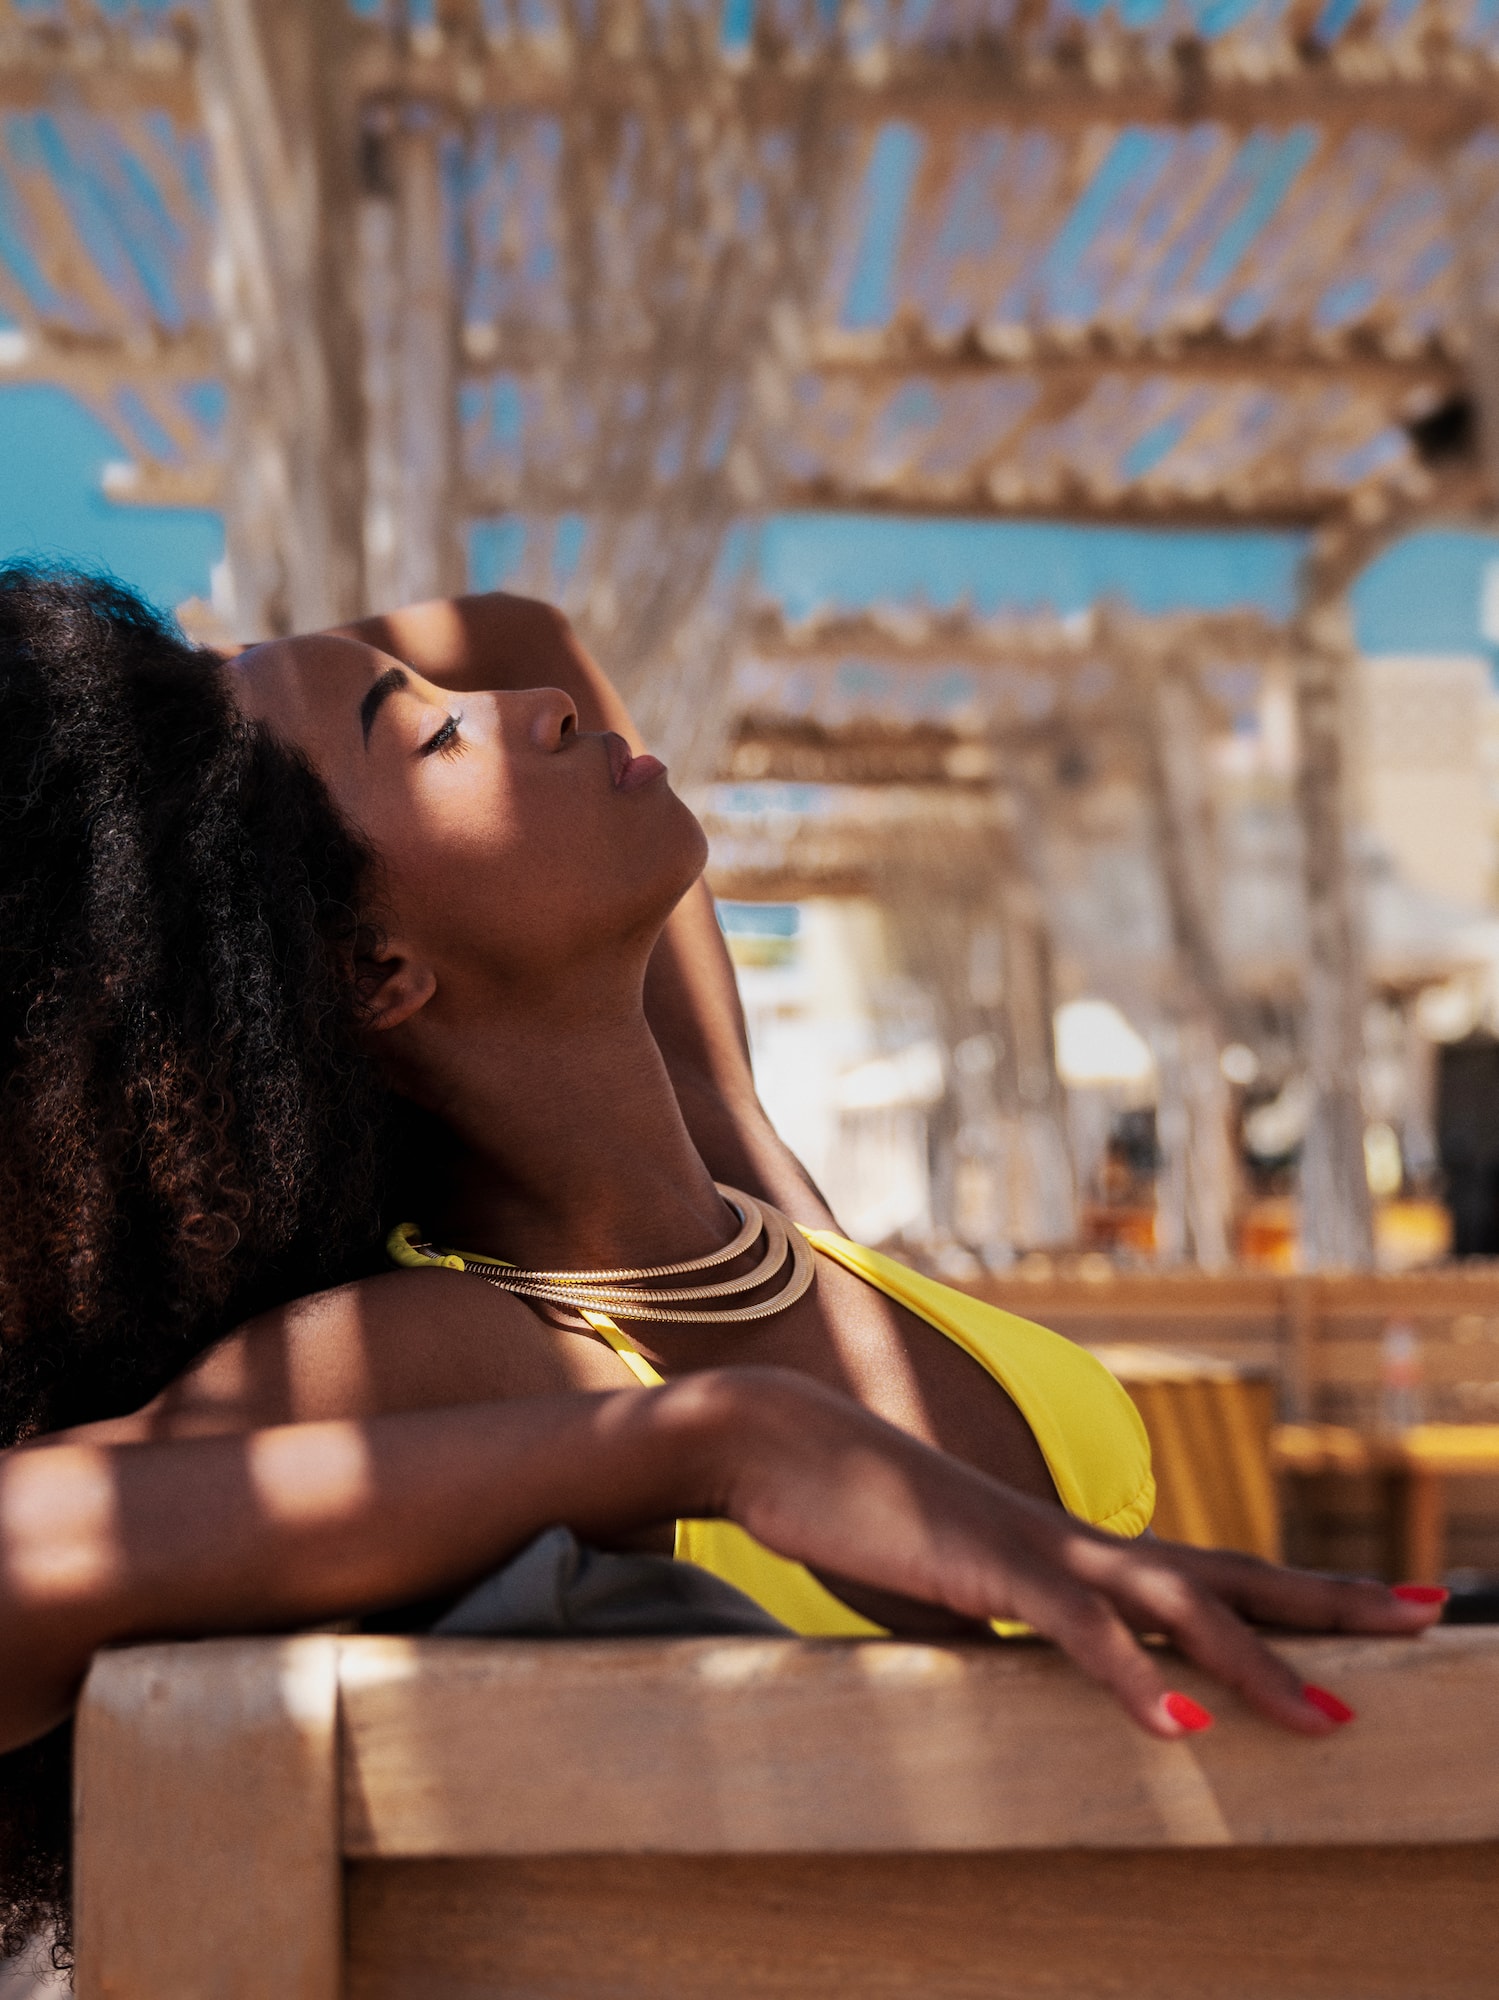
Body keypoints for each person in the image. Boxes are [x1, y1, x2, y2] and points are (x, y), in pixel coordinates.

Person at [0, 566, 1441, 1964]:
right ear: (377, 973)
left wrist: (164, 732)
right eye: (440, 730)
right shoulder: (468, 1349)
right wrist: (717, 1440)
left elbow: (525, 627)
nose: (533, 707)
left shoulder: (744, 1167)